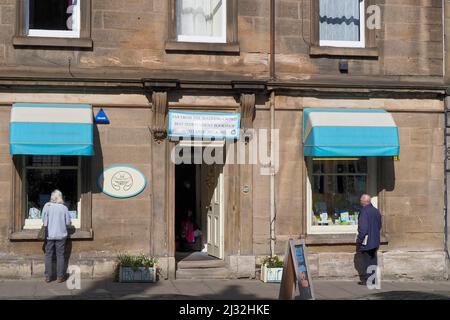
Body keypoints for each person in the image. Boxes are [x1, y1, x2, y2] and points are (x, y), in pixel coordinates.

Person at [42, 190, 71, 283]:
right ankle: (60, 277)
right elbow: (68, 222)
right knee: (60, 255)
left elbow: (43, 220)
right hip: (61, 235)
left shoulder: (47, 206)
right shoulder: (64, 208)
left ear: (52, 197)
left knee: (48, 255)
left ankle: (48, 277)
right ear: (60, 197)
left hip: (49, 235)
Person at [356, 194, 382, 286]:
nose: (360, 202)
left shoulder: (364, 212)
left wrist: (359, 240)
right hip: (375, 240)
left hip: (367, 241)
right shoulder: (376, 211)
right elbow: (379, 226)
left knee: (367, 260)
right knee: (373, 260)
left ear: (364, 201)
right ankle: (373, 279)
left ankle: (368, 280)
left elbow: (363, 229)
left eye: (360, 200)